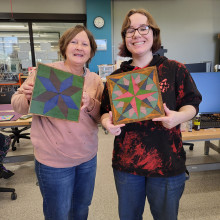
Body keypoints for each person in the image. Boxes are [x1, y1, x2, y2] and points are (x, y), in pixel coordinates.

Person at [100, 9, 202, 220]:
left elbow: (192, 104)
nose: (137, 35)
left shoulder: (174, 69)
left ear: (154, 33)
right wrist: (107, 124)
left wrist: (177, 117)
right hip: (127, 164)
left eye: (143, 28)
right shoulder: (116, 77)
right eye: (130, 30)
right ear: (124, 38)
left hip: (167, 162)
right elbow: (104, 111)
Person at [11, 25, 104, 220]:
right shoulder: (45, 74)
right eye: (74, 42)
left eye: (85, 44)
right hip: (53, 161)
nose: (79, 47)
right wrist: (28, 97)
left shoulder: (95, 80)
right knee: (58, 213)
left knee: (81, 208)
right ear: (64, 47)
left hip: (87, 158)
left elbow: (100, 116)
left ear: (91, 51)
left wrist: (90, 103)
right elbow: (17, 106)